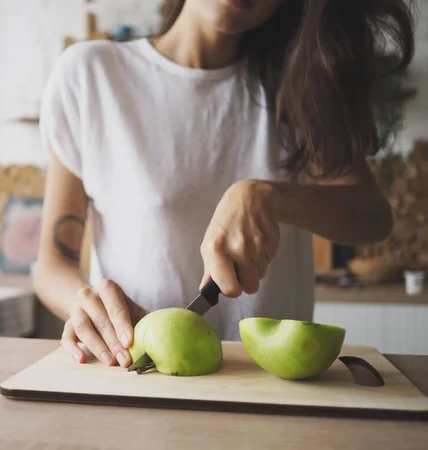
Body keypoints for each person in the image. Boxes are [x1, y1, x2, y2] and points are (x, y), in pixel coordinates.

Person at [33, 0, 415, 368]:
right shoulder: (90, 76)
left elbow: (373, 217)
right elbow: (52, 265)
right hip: (137, 373)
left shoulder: (302, 86)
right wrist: (84, 302)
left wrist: (269, 196)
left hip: (270, 386)